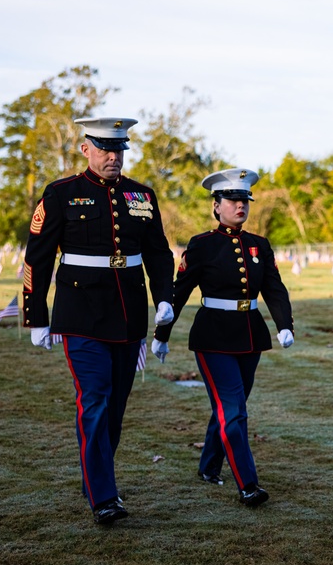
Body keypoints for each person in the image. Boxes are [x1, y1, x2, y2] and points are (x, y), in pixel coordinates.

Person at [22, 117, 176, 524]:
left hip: (128, 316)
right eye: (105, 149)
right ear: (86, 148)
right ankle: (104, 497)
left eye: (120, 149)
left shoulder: (142, 195)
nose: (114, 156)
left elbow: (159, 253)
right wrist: (36, 316)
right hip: (80, 315)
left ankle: (96, 474)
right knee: (95, 398)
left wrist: (164, 299)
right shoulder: (61, 194)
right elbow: (37, 258)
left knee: (115, 408)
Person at [152, 168, 294, 508]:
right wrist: (161, 334)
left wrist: (284, 324)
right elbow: (179, 291)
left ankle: (208, 467)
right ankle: (248, 484)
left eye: (244, 200)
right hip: (213, 337)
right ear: (216, 206)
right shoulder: (201, 245)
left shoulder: (259, 245)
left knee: (230, 407)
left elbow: (274, 288)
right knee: (234, 410)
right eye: (232, 200)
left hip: (249, 335)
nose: (240, 206)